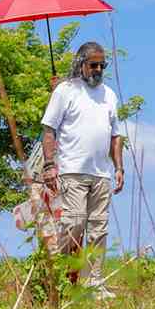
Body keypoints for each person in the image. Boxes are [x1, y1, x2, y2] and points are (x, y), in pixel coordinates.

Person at [41, 40, 125, 293]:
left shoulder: (109, 95)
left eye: (102, 65)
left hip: (102, 173)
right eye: (93, 65)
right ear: (81, 64)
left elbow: (116, 135)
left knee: (99, 228)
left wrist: (119, 168)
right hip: (72, 170)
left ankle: (94, 282)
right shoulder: (65, 90)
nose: (98, 69)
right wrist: (48, 165)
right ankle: (61, 273)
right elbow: (48, 129)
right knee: (74, 224)